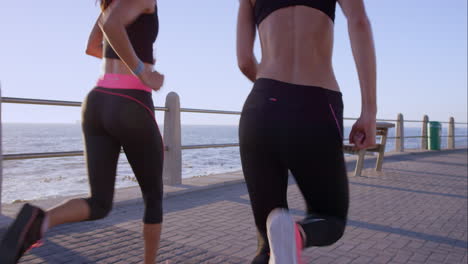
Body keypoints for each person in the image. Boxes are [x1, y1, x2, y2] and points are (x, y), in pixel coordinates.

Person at [0, 0, 165, 263]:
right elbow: (112, 26)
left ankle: (38, 221)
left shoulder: (111, 4)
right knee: (153, 197)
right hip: (131, 102)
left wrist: (132, 56)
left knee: (99, 203)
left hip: (97, 102)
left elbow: (92, 47)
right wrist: (142, 70)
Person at [236, 0, 377, 263]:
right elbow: (359, 22)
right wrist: (369, 111)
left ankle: (285, 240)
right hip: (316, 105)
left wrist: (274, 95)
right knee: (330, 219)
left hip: (261, 106)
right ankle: (299, 234)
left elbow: (244, 60)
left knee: (269, 245)